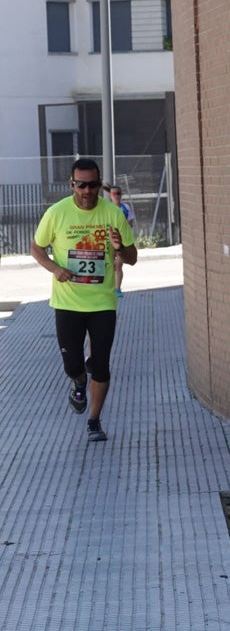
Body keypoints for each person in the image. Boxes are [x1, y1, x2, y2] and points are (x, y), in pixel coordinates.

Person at [30, 157, 137, 443]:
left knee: (101, 364)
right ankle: (78, 381)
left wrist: (119, 248)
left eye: (92, 185)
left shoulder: (113, 214)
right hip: (68, 303)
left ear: (99, 184)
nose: (87, 191)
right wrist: (55, 268)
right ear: (72, 185)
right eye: (81, 185)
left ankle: (94, 420)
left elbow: (132, 258)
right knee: (72, 363)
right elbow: (36, 248)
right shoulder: (57, 213)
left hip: (102, 303)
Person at [108, 185, 135, 296]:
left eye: (118, 193)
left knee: (118, 265)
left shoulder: (125, 208)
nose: (116, 196)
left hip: (122, 240)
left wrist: (125, 234)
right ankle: (110, 287)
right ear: (110, 196)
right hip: (110, 240)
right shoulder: (108, 208)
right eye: (114, 194)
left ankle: (118, 289)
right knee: (110, 265)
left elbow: (130, 222)